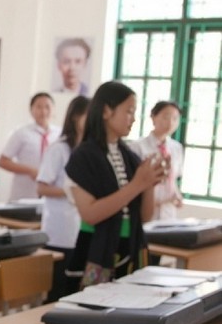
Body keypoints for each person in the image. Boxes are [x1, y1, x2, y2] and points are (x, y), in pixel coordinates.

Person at [64, 81, 165, 291]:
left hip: (131, 246)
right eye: (129, 111)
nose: (133, 118)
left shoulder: (130, 156)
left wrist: (150, 182)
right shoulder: (83, 157)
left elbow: (145, 216)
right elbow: (90, 214)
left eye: (135, 112)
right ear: (106, 111)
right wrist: (137, 184)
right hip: (96, 247)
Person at [36, 95, 90, 301]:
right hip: (59, 231)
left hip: (82, 229)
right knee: (57, 290)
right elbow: (41, 186)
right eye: (88, 116)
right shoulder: (59, 149)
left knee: (76, 291)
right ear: (76, 117)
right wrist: (72, 192)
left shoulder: (89, 150)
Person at [0, 92, 60, 200]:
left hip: (50, 197)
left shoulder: (60, 134)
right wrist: (30, 170)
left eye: (47, 107)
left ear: (54, 110)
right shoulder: (21, 133)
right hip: (24, 195)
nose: (43, 111)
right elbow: (3, 161)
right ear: (31, 110)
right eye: (39, 107)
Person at [128, 101, 184, 221]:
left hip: (169, 213)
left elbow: (172, 179)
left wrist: (177, 195)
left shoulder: (176, 148)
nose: (170, 122)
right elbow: (134, 183)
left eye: (175, 118)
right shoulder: (137, 147)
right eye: (166, 117)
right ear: (153, 118)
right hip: (145, 210)